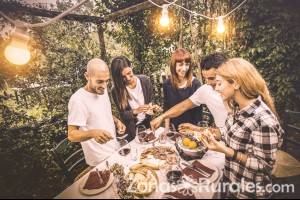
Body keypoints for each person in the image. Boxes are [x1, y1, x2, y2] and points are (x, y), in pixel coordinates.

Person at [201, 58, 284, 198]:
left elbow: (265, 166)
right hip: (230, 183)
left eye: (219, 83)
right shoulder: (236, 107)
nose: (216, 88)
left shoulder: (263, 120)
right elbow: (232, 134)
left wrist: (225, 150)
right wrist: (213, 134)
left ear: (236, 83)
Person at [67, 58, 126, 167]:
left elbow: (102, 113)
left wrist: (117, 121)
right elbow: (71, 135)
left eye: (107, 81)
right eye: (99, 81)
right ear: (87, 76)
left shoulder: (101, 90)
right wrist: (93, 133)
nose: (104, 86)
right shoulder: (78, 100)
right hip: (100, 160)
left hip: (115, 149)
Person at [151, 52, 228, 132]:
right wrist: (162, 117)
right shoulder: (206, 90)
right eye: (205, 78)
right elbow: (183, 106)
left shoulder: (236, 95)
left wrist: (195, 128)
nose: (208, 83)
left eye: (212, 78)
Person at [111, 56, 161, 142]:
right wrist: (135, 111)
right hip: (132, 131)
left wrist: (153, 108)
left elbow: (150, 102)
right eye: (123, 77)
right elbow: (122, 115)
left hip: (147, 125)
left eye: (129, 73)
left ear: (131, 66)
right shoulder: (116, 90)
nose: (128, 78)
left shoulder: (145, 81)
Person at [162, 48, 202, 130]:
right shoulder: (166, 84)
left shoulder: (196, 84)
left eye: (187, 64)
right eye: (180, 65)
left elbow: (198, 115)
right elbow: (167, 108)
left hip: (191, 130)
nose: (184, 69)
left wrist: (194, 130)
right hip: (173, 128)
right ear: (174, 65)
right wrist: (166, 129)